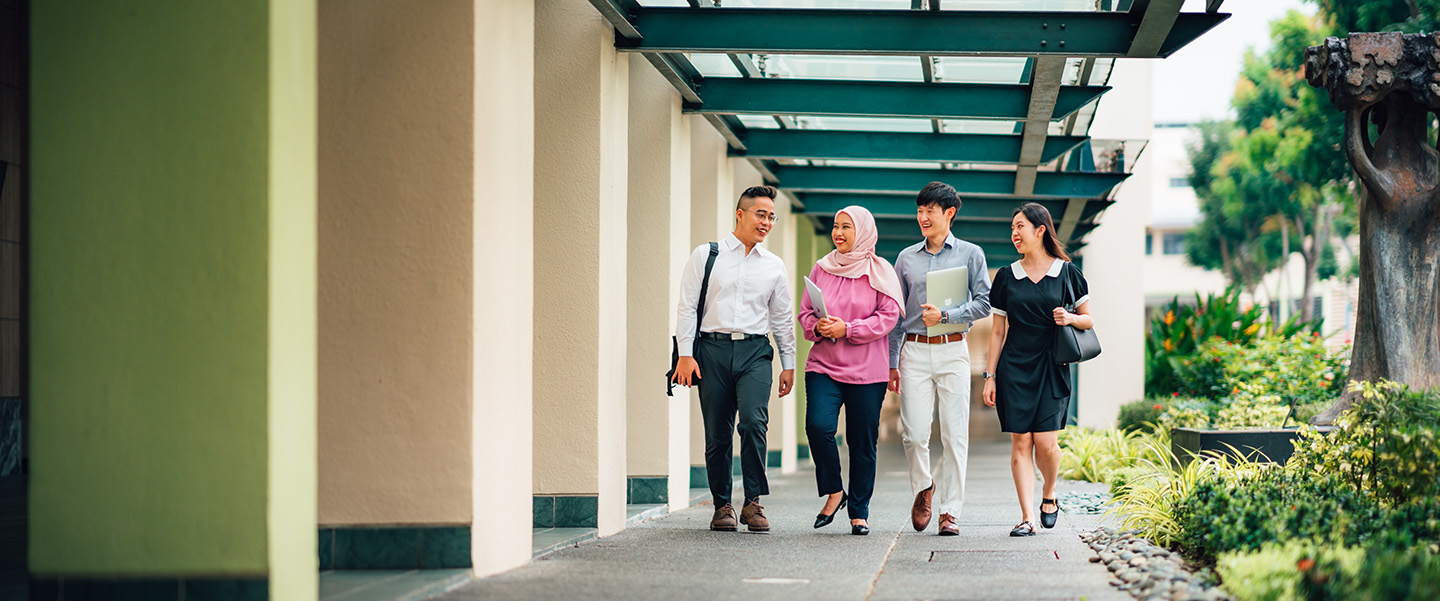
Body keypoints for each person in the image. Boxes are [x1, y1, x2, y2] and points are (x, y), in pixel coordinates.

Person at [672, 185, 797, 533]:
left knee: (754, 423)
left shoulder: (774, 266)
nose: (767, 222)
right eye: (761, 214)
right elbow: (686, 307)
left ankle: (753, 501)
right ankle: (722, 505)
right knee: (717, 434)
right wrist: (685, 355)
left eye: (772, 216)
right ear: (740, 214)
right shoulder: (706, 255)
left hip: (755, 352)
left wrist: (788, 363)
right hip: (711, 350)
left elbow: (782, 318)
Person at [981, 202, 1093, 537]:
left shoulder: (1068, 272)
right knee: (1020, 441)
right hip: (1014, 366)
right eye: (1012, 228)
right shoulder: (1005, 276)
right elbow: (997, 331)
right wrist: (990, 376)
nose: (1014, 234)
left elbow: (1088, 319)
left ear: (1040, 230)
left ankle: (1049, 493)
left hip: (1052, 364)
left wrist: (1070, 318)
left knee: (1045, 443)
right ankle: (1027, 517)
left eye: (1020, 227)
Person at [887, 182, 992, 536]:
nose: (923, 217)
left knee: (954, 434)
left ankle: (950, 511)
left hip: (953, 349)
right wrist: (891, 363)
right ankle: (924, 487)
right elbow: (897, 316)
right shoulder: (905, 258)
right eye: (919, 210)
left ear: (949, 213)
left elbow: (983, 303)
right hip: (914, 350)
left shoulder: (971, 254)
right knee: (914, 435)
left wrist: (946, 317)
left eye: (930, 210)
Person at [797, 206, 903, 536]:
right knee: (818, 426)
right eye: (835, 226)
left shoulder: (881, 271)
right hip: (823, 365)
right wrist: (819, 326)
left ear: (864, 232)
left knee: (862, 443)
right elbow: (804, 314)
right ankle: (834, 490)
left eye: (847, 227)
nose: (838, 233)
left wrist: (849, 329)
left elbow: (888, 317)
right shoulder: (822, 268)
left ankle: (859, 510)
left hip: (868, 372)